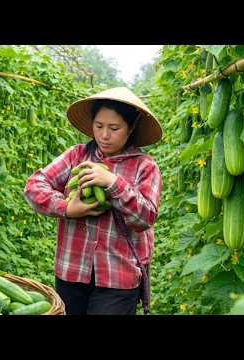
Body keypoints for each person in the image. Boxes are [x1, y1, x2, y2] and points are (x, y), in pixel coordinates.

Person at [23, 87, 163, 315]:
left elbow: (146, 217)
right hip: (72, 271)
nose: (104, 135)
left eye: (114, 128)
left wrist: (113, 182)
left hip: (118, 277)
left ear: (131, 128)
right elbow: (33, 186)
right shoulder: (76, 156)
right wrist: (68, 207)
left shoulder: (145, 167)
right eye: (99, 126)